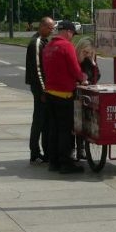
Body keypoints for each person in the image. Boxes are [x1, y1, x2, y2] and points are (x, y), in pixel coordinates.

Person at [42, 20, 88, 174]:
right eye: (72, 34)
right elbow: (75, 69)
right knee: (66, 131)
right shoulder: (66, 46)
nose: (72, 37)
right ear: (68, 31)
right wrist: (83, 78)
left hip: (50, 93)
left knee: (53, 129)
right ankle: (66, 163)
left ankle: (53, 162)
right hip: (64, 94)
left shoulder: (48, 46)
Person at [25, 16, 54, 163]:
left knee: (43, 120)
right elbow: (38, 69)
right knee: (39, 120)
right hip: (39, 88)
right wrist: (43, 91)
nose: (51, 30)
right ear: (42, 26)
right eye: (50, 27)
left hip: (42, 87)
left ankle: (42, 150)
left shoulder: (43, 41)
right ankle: (35, 151)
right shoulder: (37, 43)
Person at [74, 37, 100, 161]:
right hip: (76, 94)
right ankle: (78, 149)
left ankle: (82, 148)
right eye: (85, 52)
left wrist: (93, 63)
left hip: (88, 93)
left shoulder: (90, 61)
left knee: (86, 121)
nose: (87, 55)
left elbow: (97, 76)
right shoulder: (75, 60)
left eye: (89, 53)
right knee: (77, 122)